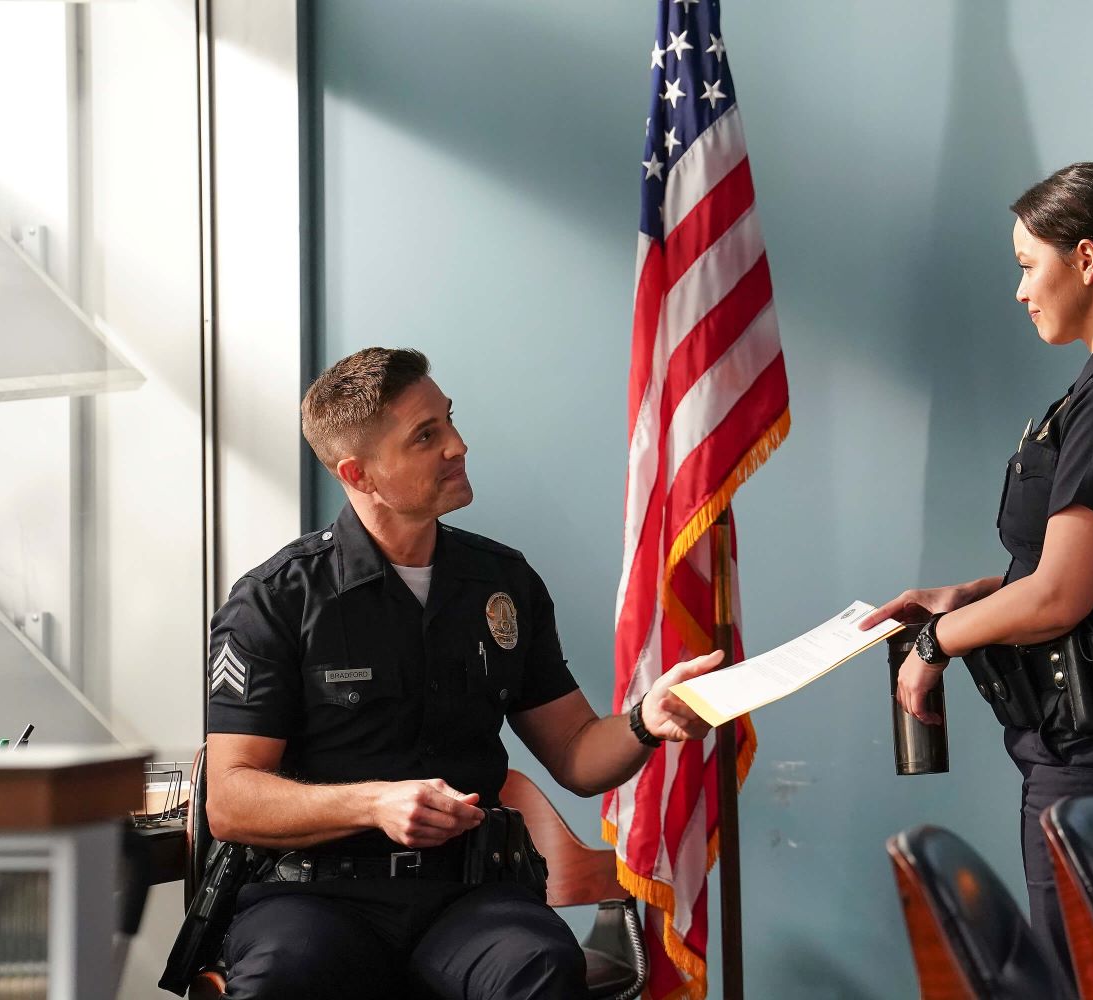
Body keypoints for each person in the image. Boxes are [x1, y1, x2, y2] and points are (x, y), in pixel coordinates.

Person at [205, 347, 723, 999]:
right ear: (358, 473)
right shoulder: (275, 600)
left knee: (540, 971)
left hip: (467, 896)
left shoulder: (502, 583)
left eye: (447, 420)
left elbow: (575, 753)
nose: (458, 445)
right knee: (283, 981)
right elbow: (229, 799)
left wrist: (647, 720)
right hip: (316, 896)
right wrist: (374, 802)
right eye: (426, 437)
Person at [863, 162, 1093, 969]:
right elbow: (1082, 574)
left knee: (1087, 982)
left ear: (1087, 259)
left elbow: (1062, 596)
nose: (1022, 289)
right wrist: (967, 595)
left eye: (1030, 264)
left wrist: (936, 643)